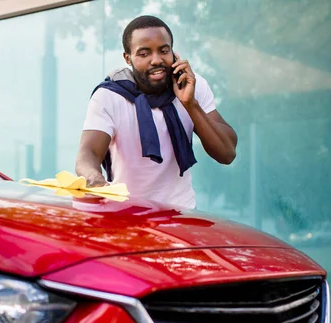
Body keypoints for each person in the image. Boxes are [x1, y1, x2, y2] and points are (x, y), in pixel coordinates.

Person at [75, 15, 237, 209]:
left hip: (180, 215)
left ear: (174, 53)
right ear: (128, 58)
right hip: (125, 215)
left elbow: (227, 153)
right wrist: (94, 178)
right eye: (144, 54)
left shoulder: (192, 85)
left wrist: (190, 104)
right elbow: (88, 153)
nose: (156, 60)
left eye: (164, 51)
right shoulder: (109, 96)